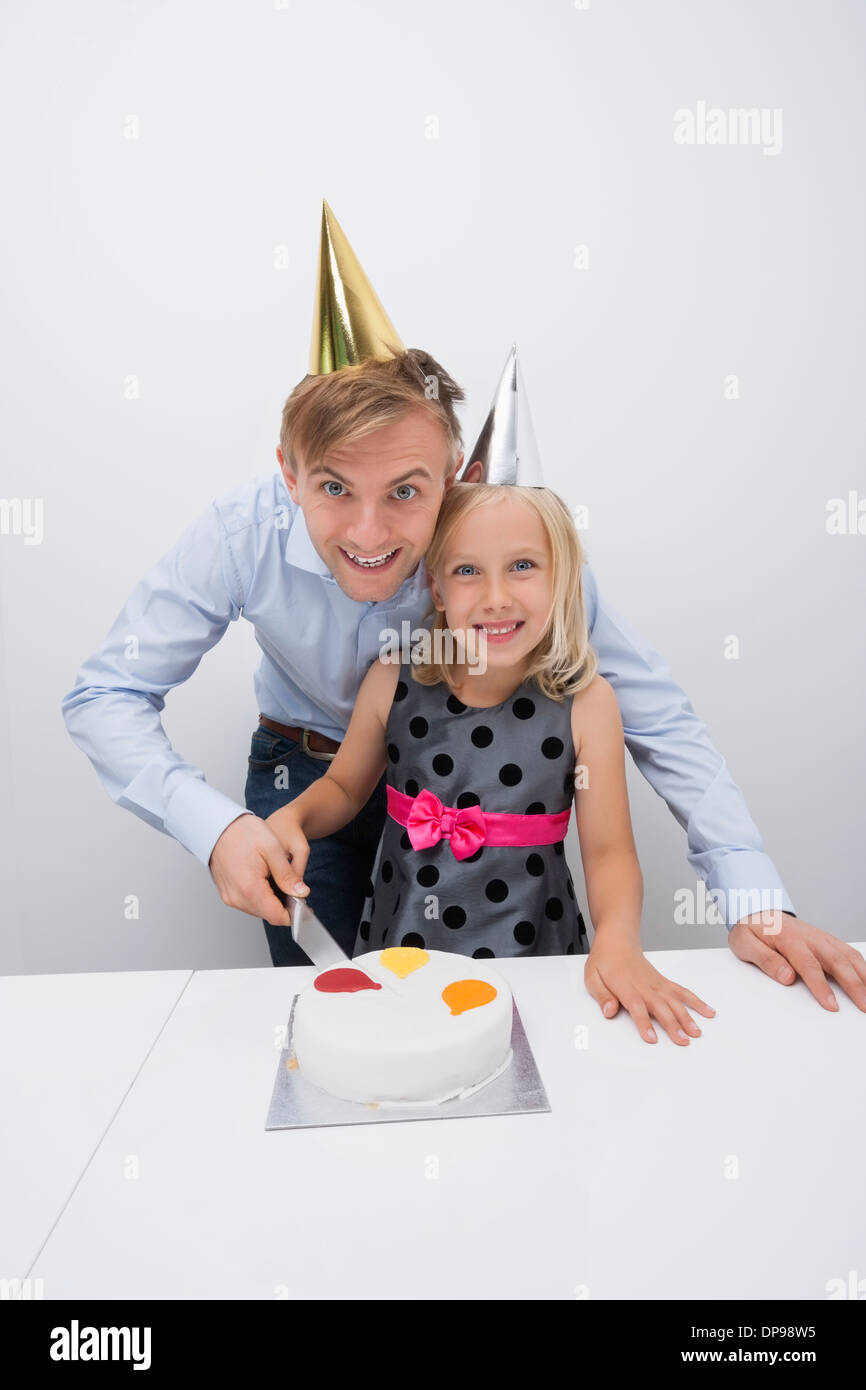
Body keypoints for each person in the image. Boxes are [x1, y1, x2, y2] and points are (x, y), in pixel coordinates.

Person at [60, 202, 866, 1021]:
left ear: (452, 470)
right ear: (287, 472)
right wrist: (217, 827)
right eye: (334, 486)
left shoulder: (502, 549)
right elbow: (104, 697)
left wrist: (755, 898)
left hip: (495, 819)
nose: (369, 534)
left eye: (407, 490)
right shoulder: (239, 536)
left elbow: (659, 718)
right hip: (309, 778)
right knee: (337, 1022)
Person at [265, 481, 719, 1047]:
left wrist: (619, 941)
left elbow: (608, 853)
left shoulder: (587, 703)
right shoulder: (391, 678)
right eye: (467, 571)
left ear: (564, 581)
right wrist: (294, 818)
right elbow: (344, 788)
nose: (496, 596)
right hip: (404, 947)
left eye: (523, 565)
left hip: (535, 947)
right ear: (435, 587)